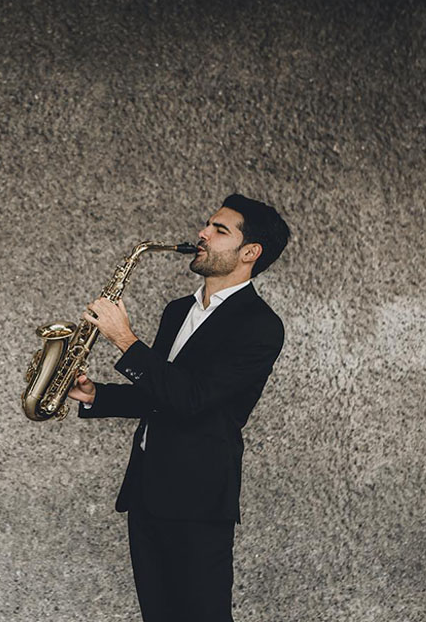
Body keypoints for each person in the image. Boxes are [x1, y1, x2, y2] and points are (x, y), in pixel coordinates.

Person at [68, 193, 290, 622]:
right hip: (147, 492)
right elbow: (162, 394)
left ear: (250, 252)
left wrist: (125, 340)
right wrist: (98, 395)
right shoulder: (178, 311)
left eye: (219, 230)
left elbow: (193, 399)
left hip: (198, 499)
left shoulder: (260, 326)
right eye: (207, 225)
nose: (202, 234)